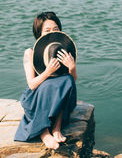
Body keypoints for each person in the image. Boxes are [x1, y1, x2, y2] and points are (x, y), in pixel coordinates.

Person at [14, 12, 78, 149]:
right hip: (36, 98)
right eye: (47, 30)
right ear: (39, 33)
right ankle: (44, 132)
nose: (52, 32)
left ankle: (56, 127)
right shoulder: (30, 53)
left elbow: (72, 82)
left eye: (55, 29)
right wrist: (48, 71)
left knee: (66, 79)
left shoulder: (62, 50)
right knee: (48, 85)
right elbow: (31, 84)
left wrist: (72, 67)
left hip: (57, 99)